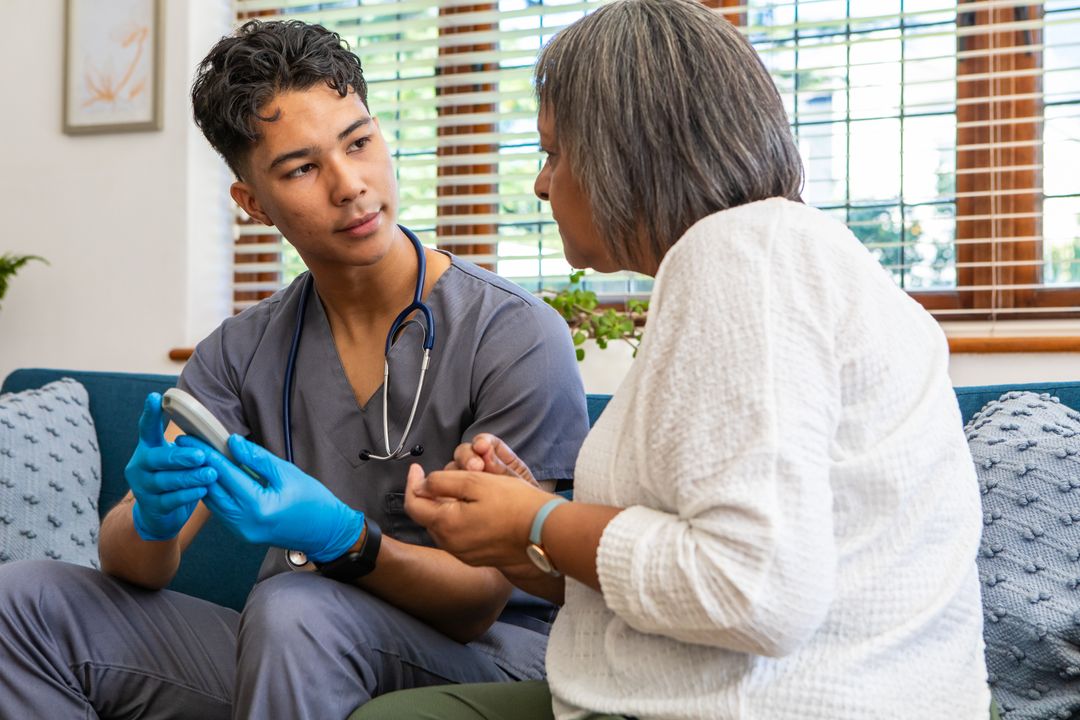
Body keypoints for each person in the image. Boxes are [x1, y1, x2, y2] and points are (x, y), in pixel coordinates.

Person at [350, 1, 992, 719]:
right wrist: (523, 529)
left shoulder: (741, 258)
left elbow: (752, 590)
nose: (539, 183)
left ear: (627, 149)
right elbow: (692, 573)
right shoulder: (783, 259)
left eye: (555, 152)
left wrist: (539, 524)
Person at [0, 19, 589, 720]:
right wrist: (153, 520)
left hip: (486, 659)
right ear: (253, 204)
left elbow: (478, 602)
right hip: (291, 649)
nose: (350, 186)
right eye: (302, 168)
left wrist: (345, 539)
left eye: (360, 143)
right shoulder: (243, 349)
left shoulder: (513, 333)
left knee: (294, 605)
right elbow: (134, 565)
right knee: (25, 600)